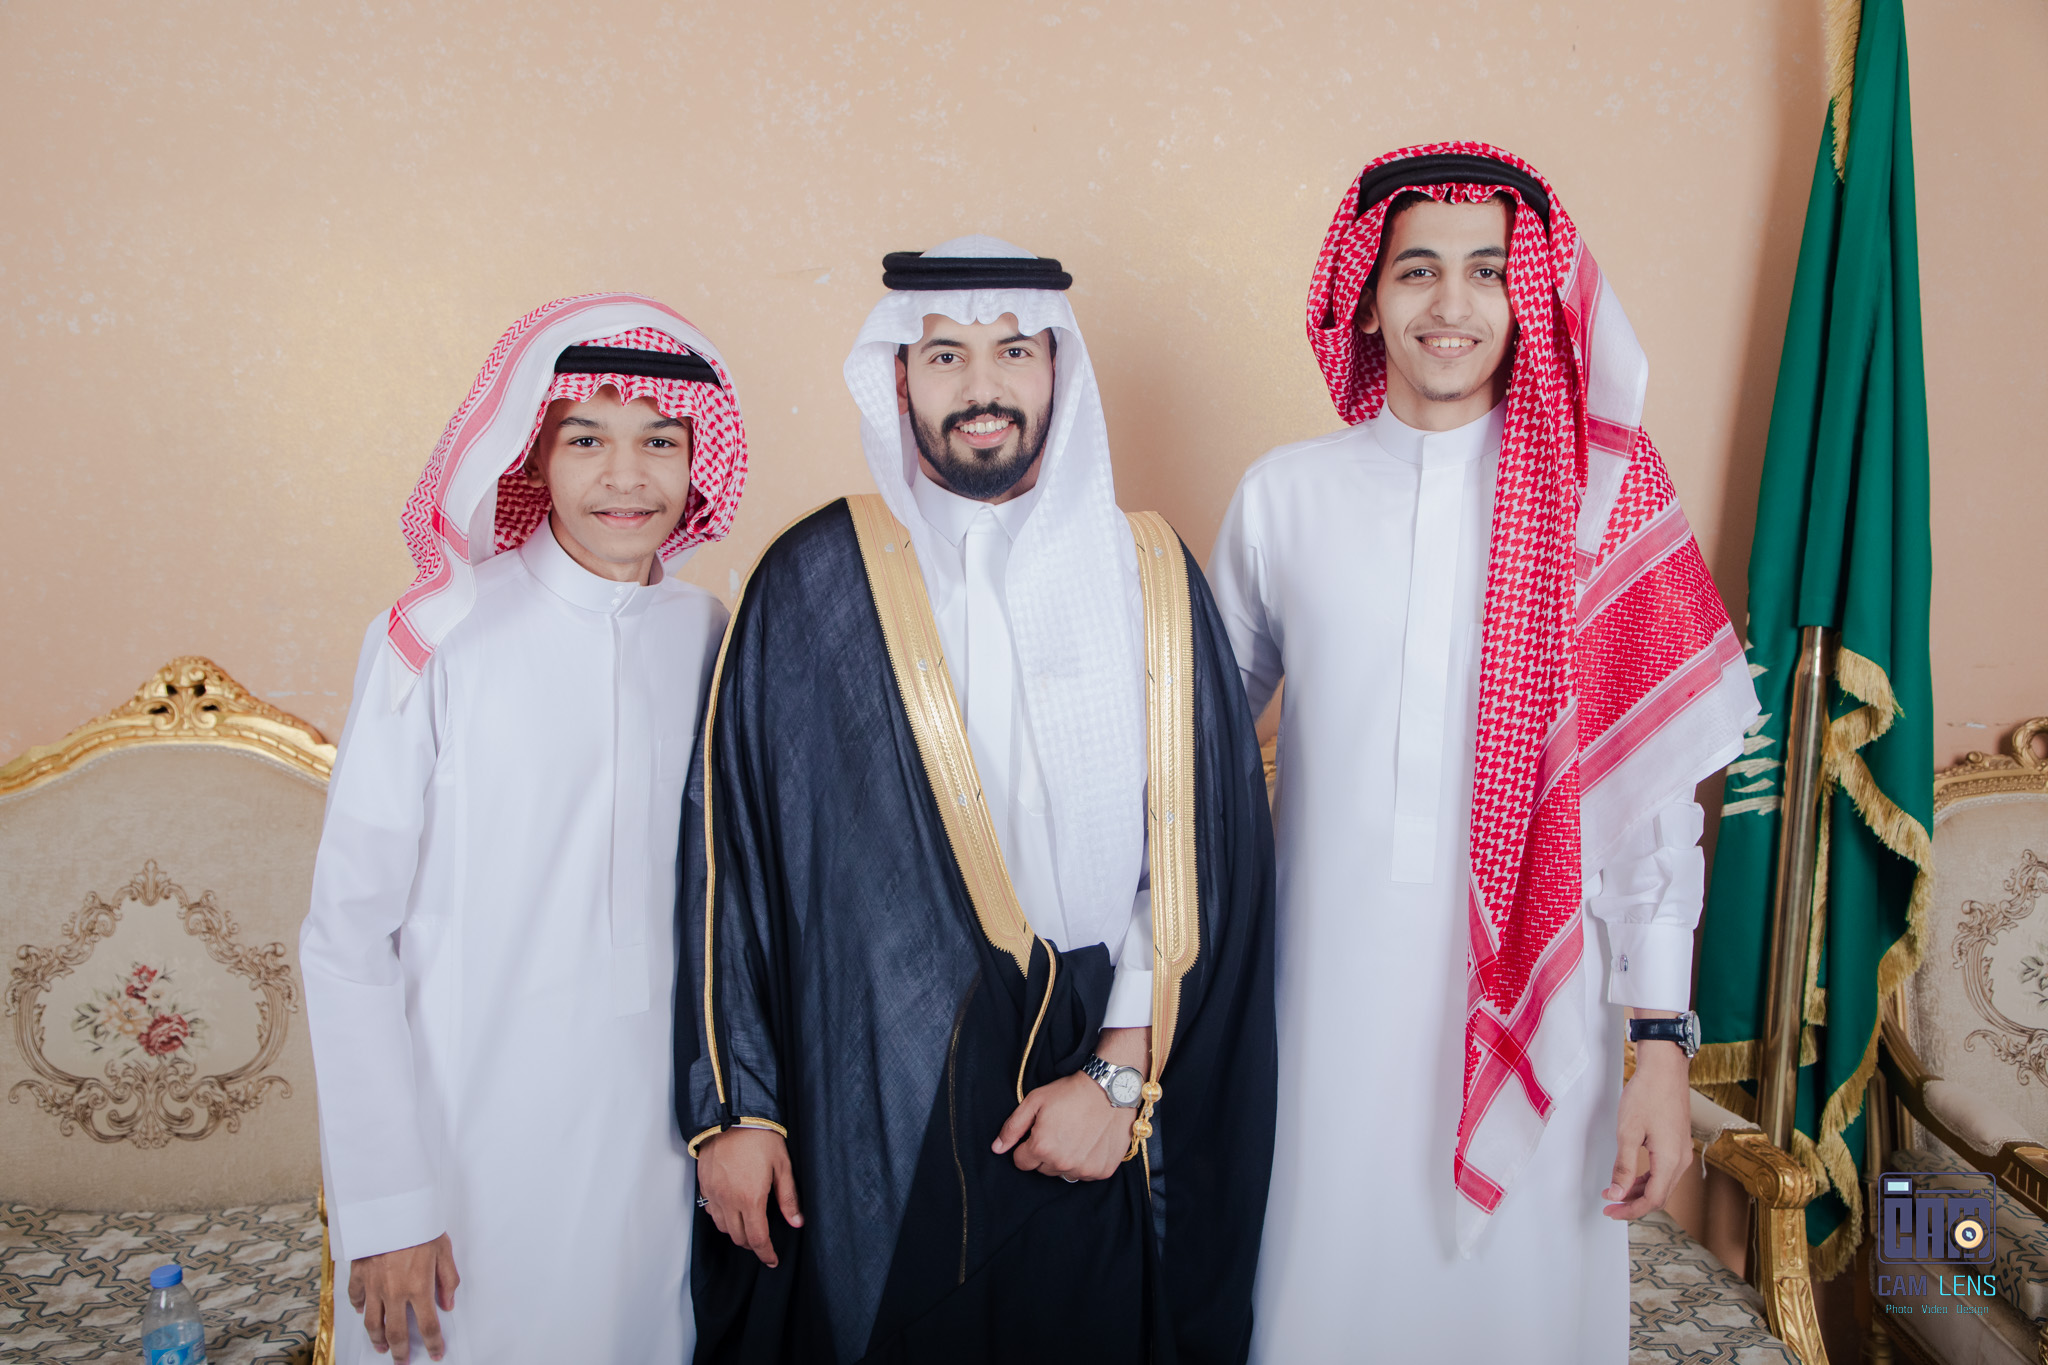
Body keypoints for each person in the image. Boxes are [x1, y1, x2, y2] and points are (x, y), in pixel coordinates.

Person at [1207, 144, 1759, 1362]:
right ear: (1365, 297)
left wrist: (1658, 1047)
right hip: (1316, 1003)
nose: (1449, 302)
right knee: (1316, 1297)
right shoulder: (1283, 497)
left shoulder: (1599, 502)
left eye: (1486, 270)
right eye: (1416, 270)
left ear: (1531, 296)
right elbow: (1192, 756)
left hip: (1542, 1006)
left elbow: (1651, 807)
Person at [679, 238, 1275, 1364]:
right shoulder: (813, 579)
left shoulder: (1148, 575)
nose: (981, 386)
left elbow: (1198, 857)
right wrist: (736, 1112)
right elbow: (733, 868)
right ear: (896, 378)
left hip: (1096, 1086)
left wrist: (1117, 1079)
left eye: (1012, 351)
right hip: (876, 1086)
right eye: (944, 354)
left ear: (1059, 370)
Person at [301, 294, 750, 1364]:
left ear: (700, 462)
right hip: (461, 1146)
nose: (626, 476)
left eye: (660, 441)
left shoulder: (710, 636)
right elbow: (347, 936)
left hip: (652, 1151)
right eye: (585, 440)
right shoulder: (435, 636)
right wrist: (387, 1204)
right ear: (532, 457)